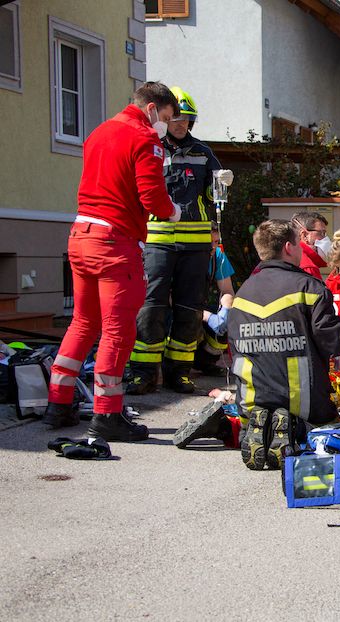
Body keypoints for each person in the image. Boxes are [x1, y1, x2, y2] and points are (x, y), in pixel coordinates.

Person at [43, 82, 180, 441]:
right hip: (114, 243)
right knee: (118, 331)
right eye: (166, 118)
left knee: (82, 323)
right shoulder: (144, 138)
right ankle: (107, 414)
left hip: (81, 234)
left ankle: (58, 403)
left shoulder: (99, 132)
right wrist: (173, 211)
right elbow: (152, 196)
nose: (165, 126)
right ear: (152, 109)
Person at [227, 220, 340, 470]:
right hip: (303, 404)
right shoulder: (309, 288)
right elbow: (335, 340)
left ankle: (258, 428)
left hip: (253, 401)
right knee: (335, 435)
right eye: (299, 245)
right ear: (289, 247)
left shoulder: (243, 293)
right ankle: (297, 428)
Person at [128, 86, 235, 395]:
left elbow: (214, 199)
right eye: (175, 118)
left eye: (186, 119)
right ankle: (143, 373)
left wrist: (222, 185)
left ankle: (180, 372)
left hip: (196, 244)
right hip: (157, 241)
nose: (180, 124)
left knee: (190, 308)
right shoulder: (151, 147)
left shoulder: (203, 153)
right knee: (151, 306)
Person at [192, 222, 236, 376]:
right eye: (209, 242)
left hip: (200, 305)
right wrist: (206, 316)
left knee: (226, 325)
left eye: (216, 242)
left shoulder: (218, 256)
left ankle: (205, 362)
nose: (213, 246)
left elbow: (227, 291)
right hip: (181, 308)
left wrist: (226, 311)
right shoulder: (187, 257)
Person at [291, 211, 331, 279]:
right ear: (304, 235)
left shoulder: (286, 255)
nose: (325, 238)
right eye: (321, 233)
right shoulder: (308, 268)